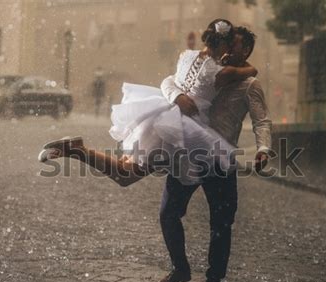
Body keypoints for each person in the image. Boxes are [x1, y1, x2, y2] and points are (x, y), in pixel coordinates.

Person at [38, 19, 258, 187]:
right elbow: (251, 70)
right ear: (226, 45)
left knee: (125, 167)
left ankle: (76, 149)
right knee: (126, 174)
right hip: (179, 125)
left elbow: (173, 80)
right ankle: (77, 149)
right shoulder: (221, 72)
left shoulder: (186, 55)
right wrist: (236, 61)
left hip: (162, 113)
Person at [153, 26, 272, 282]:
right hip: (190, 154)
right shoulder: (208, 68)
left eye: (236, 46)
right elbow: (171, 80)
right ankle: (180, 269)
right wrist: (177, 97)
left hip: (219, 160)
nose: (228, 50)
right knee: (168, 212)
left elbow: (262, 119)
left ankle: (214, 280)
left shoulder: (249, 84)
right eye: (227, 44)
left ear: (246, 52)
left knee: (221, 222)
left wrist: (264, 148)